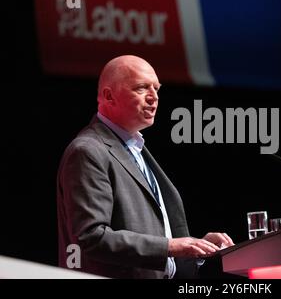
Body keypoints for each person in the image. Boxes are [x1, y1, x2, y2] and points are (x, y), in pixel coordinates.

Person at [57, 55, 234, 279]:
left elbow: (149, 228)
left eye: (156, 89)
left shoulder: (134, 147)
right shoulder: (88, 151)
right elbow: (91, 237)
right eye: (141, 88)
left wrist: (195, 247)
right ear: (109, 96)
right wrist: (170, 246)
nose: (154, 98)